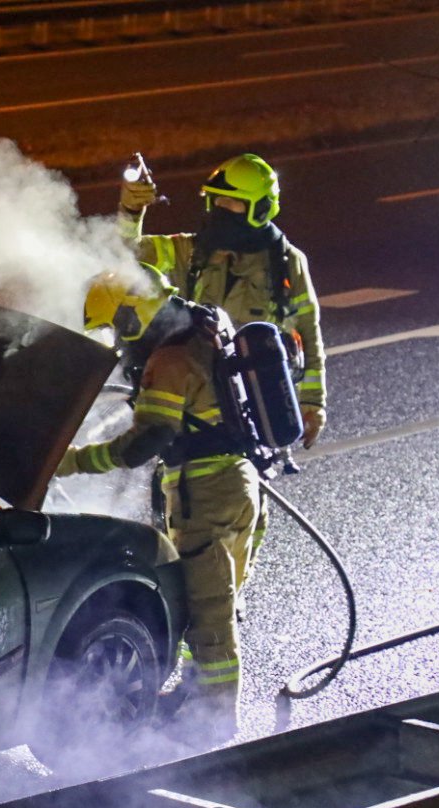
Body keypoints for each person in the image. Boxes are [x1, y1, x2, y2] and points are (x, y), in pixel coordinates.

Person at [57, 265, 260, 741]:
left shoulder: (166, 362)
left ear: (132, 316)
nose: (117, 339)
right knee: (213, 603)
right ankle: (195, 696)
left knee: (209, 613)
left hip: (204, 493)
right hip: (240, 483)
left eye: (115, 326)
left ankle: (213, 720)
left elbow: (144, 443)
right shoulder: (205, 327)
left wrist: (70, 463)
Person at [120, 153, 324, 604]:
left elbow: (308, 334)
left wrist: (313, 404)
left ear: (258, 209)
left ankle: (224, 599)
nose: (218, 214)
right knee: (180, 507)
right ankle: (192, 602)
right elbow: (125, 257)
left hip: (256, 407)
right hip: (193, 406)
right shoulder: (192, 250)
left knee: (249, 511)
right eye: (215, 203)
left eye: (230, 205)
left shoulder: (287, 263)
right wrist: (132, 211)